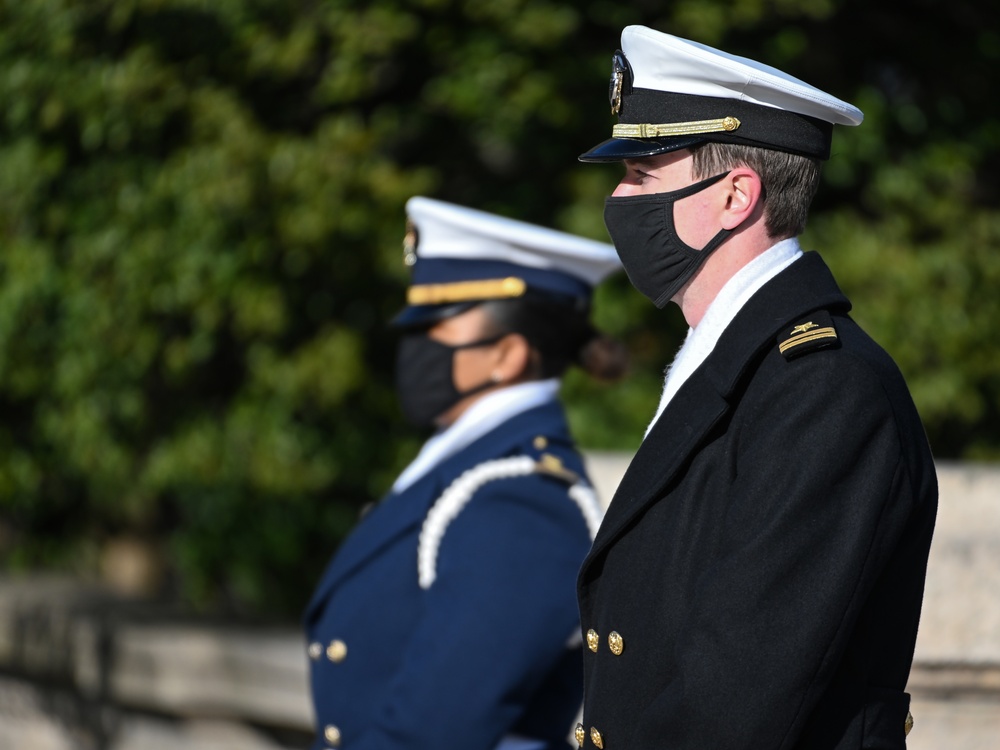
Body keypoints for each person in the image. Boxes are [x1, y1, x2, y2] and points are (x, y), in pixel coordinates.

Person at [571, 26, 937, 750]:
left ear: (737, 193)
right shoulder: (737, 365)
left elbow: (732, 701)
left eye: (643, 173)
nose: (618, 197)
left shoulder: (824, 389)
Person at [303, 196, 625, 750]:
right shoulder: (464, 468)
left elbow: (431, 732)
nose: (414, 347)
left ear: (508, 355)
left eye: (435, 327)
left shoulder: (523, 500)